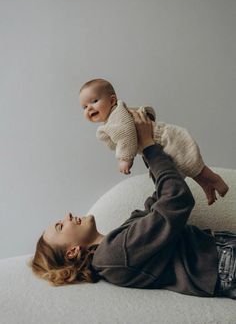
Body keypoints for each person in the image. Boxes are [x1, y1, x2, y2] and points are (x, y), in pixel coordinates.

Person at [31, 110, 236, 299]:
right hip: (223, 263)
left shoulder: (116, 242)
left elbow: (160, 200)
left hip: (222, 254)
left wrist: (145, 144)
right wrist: (148, 147)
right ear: (72, 252)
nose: (67, 215)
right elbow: (177, 200)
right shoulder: (113, 256)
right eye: (60, 225)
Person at [79, 78, 228, 205]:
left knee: (189, 163)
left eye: (94, 101)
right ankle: (206, 186)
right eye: (84, 107)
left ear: (112, 100)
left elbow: (126, 134)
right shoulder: (114, 118)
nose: (89, 108)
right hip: (158, 143)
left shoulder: (117, 116)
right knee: (183, 169)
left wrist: (125, 158)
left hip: (165, 138)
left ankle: (215, 179)